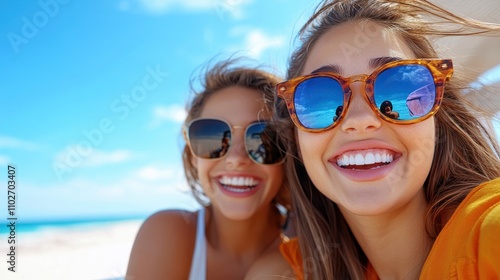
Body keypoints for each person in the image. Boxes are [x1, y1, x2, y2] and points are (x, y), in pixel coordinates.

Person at [274, 0, 500, 279]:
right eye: (319, 95)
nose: (359, 119)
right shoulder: (300, 268)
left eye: (397, 85)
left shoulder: (488, 231)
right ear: (295, 139)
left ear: (437, 119)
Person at [127, 58, 294, 279]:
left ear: (288, 154)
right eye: (212, 137)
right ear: (193, 157)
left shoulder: (306, 250)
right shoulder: (166, 233)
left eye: (263, 138)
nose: (236, 158)